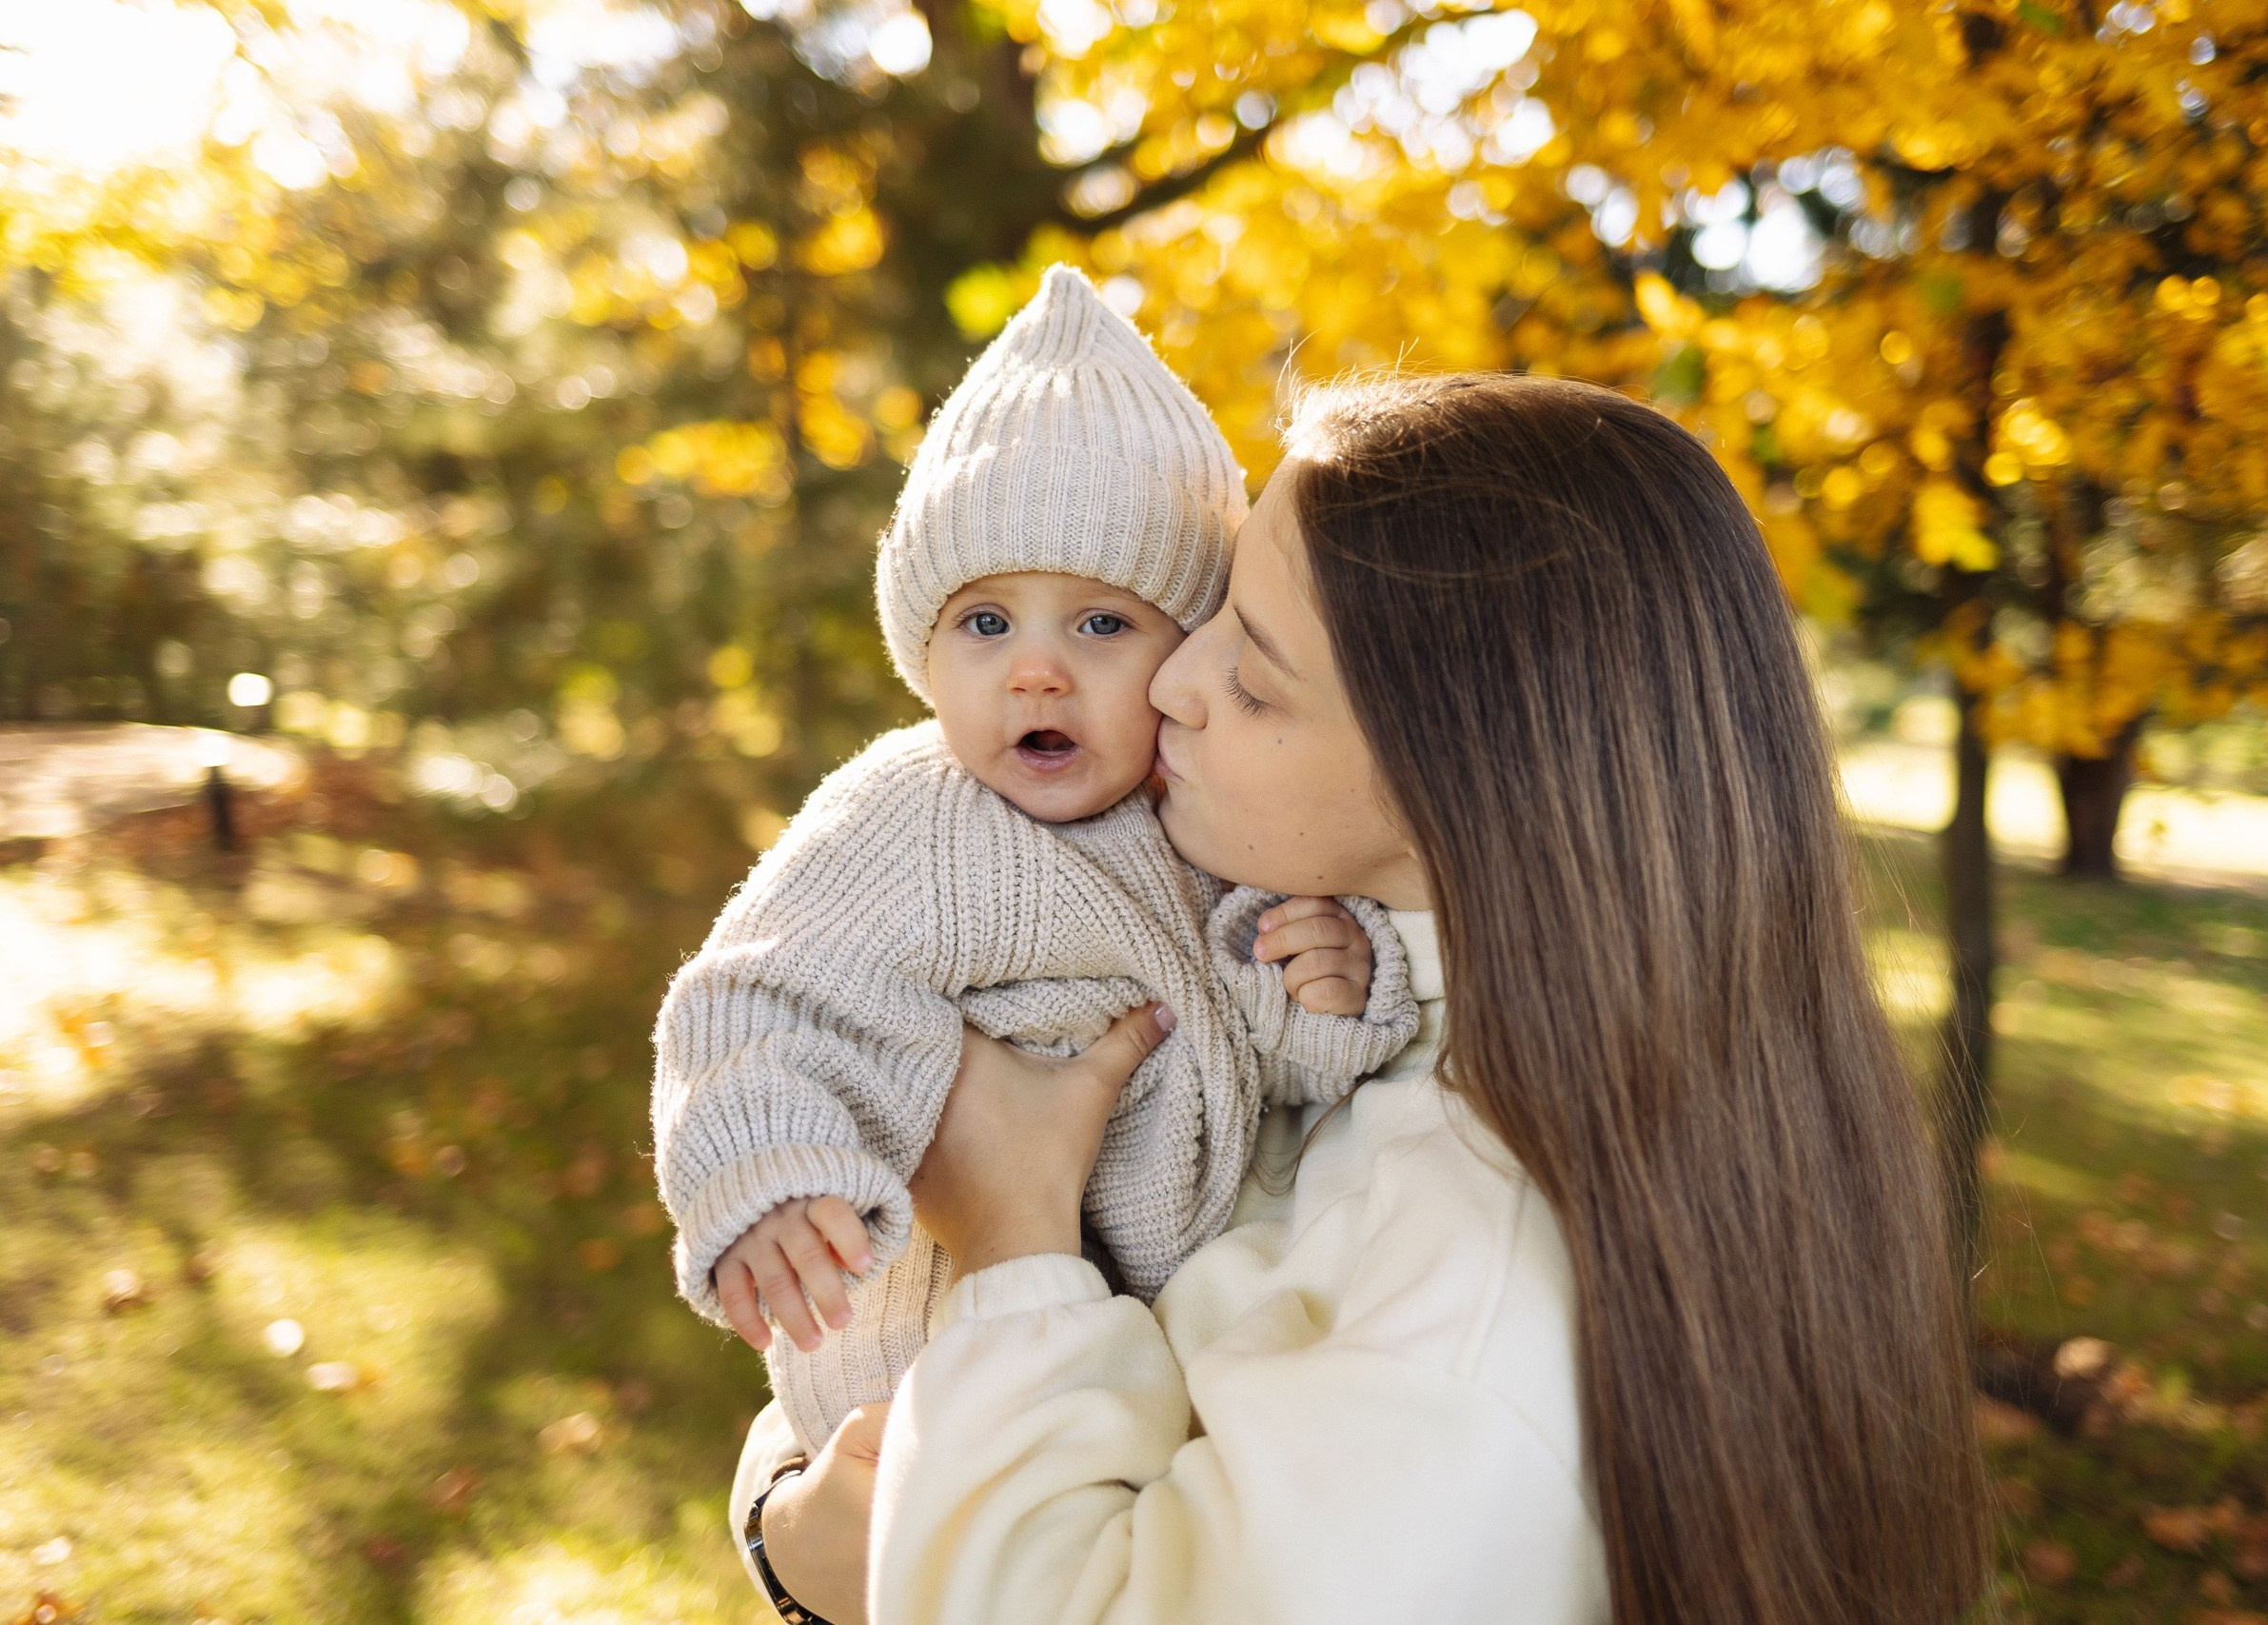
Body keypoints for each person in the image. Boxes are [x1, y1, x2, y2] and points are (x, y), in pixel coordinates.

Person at [735, 369, 1993, 1625]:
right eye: (1213, 610)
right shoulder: (1378, 1018)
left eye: (1256, 674)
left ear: (1470, 771)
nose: (1172, 680)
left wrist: (1013, 1232)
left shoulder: (1478, 1303)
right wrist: (790, 1518)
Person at [651, 267, 1417, 1465]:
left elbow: (1268, 1068)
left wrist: (1326, 992)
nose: (1037, 672)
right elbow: (757, 996)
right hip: (923, 1334)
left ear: (1186, 651)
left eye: (1101, 624)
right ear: (924, 648)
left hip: (1141, 1334)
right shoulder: (911, 813)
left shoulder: (1212, 820)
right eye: (986, 622)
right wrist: (772, 1175)